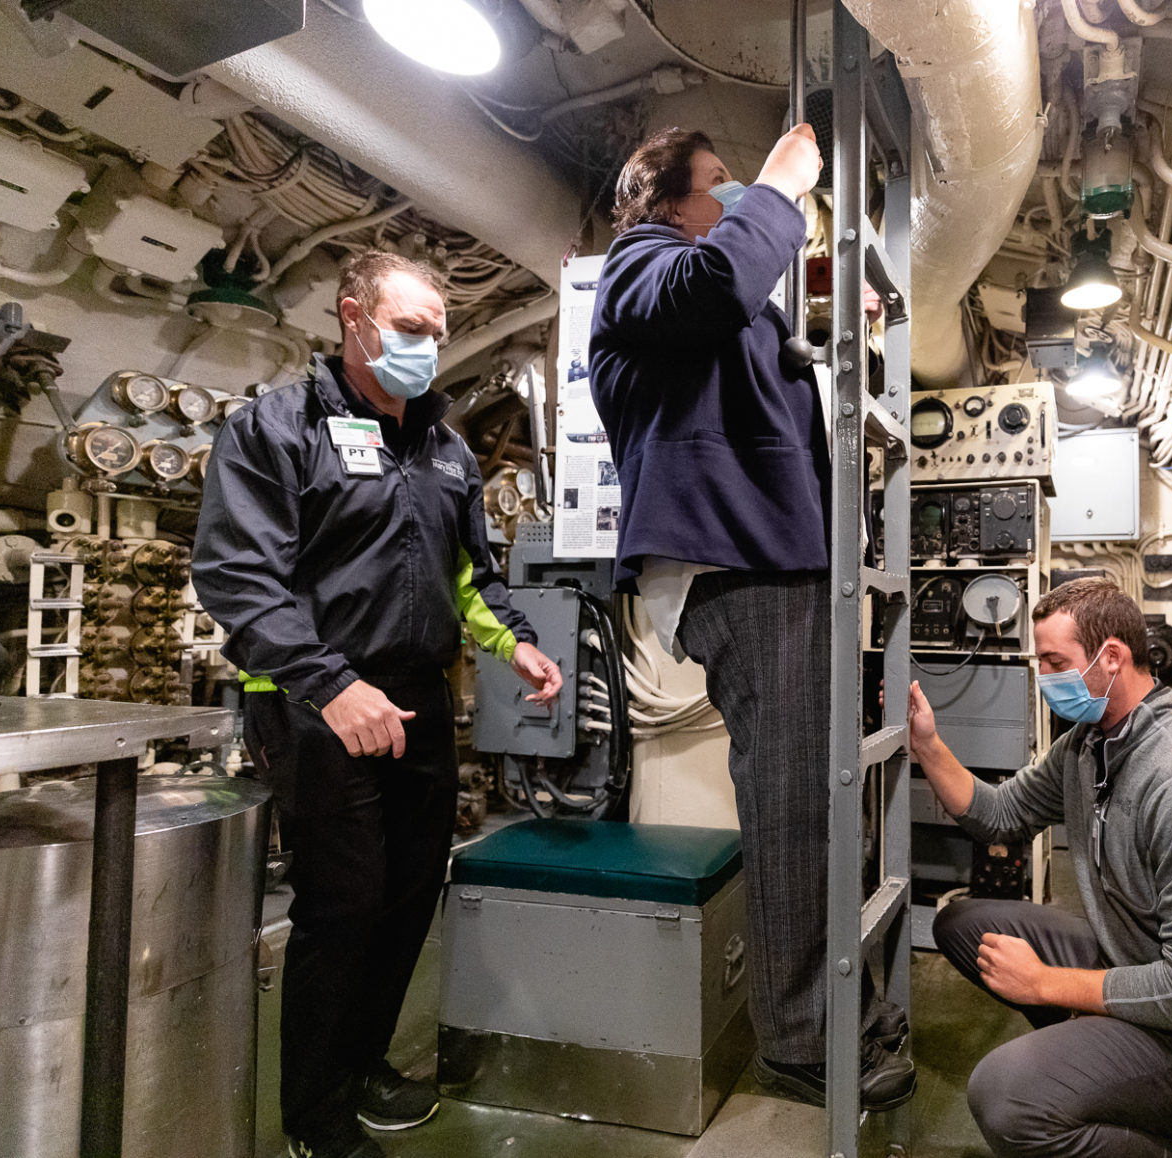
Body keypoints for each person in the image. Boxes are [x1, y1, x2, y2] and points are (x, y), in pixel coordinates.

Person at [193, 250, 561, 1158]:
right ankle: (315, 1119)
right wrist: (331, 684)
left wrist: (511, 643)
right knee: (341, 906)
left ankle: (361, 1063)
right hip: (314, 700)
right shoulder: (277, 429)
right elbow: (240, 577)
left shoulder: (446, 449)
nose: (427, 348)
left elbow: (467, 575)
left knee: (405, 901)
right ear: (351, 317)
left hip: (419, 704)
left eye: (436, 332)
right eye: (408, 329)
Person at [588, 124, 914, 1109]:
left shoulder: (730, 304)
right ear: (665, 201)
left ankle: (835, 1008)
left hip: (780, 557)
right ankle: (804, 1036)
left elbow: (765, 358)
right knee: (792, 798)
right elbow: (713, 292)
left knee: (817, 790)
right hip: (734, 565)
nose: (733, 198)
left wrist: (828, 325)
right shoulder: (641, 264)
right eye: (719, 184)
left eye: (740, 185)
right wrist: (777, 187)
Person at [910, 577, 1172, 1157]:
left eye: (1056, 662)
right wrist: (929, 746)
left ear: (1112, 658)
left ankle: (1092, 1096)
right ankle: (1094, 1064)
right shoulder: (1090, 745)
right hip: (1135, 963)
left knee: (1005, 1094)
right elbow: (1001, 816)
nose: (1045, 679)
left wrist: (1043, 983)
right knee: (965, 927)